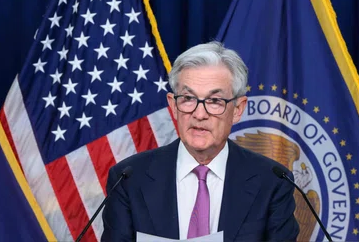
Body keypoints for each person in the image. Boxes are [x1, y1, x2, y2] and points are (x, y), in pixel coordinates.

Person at [102, 42, 298, 241]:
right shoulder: (128, 179)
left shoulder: (272, 182)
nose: (199, 114)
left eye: (214, 101)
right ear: (173, 105)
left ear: (238, 109)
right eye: (188, 98)